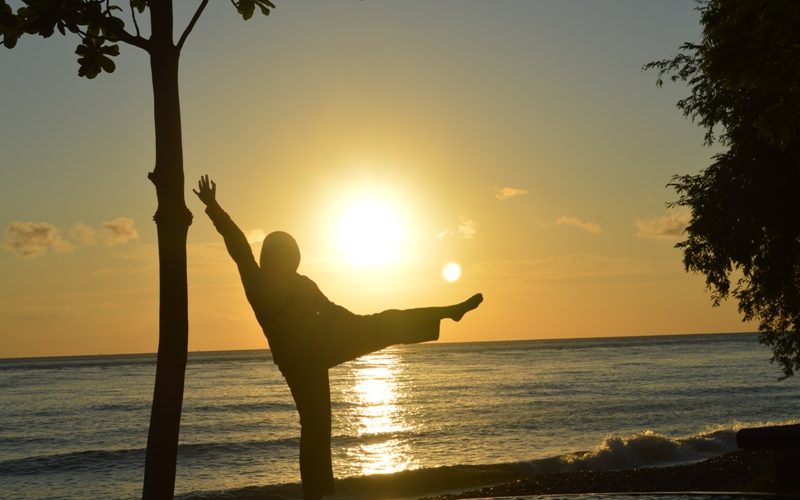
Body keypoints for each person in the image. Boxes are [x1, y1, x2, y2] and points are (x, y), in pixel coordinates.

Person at [193, 175, 483, 499]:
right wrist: (214, 207)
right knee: (316, 427)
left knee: (382, 327)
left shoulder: (301, 282)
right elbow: (238, 245)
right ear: (278, 257)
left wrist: (358, 326)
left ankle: (445, 312)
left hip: (323, 343)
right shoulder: (258, 282)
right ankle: (316, 494)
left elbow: (331, 310)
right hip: (301, 358)